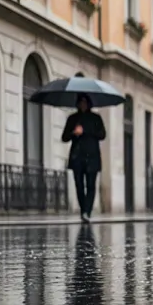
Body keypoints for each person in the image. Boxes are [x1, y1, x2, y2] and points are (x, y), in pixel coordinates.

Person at [61, 93, 106, 223]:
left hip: (92, 156)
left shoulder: (96, 118)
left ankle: (87, 211)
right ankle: (83, 210)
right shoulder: (72, 119)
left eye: (85, 102)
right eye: (81, 102)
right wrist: (74, 133)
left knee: (91, 185)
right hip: (77, 156)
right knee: (79, 185)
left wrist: (85, 131)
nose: (83, 105)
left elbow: (102, 134)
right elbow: (64, 137)